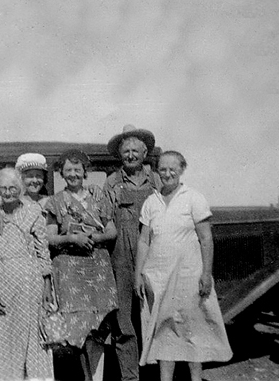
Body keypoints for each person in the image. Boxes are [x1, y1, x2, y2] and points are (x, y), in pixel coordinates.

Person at [135, 151, 232, 381]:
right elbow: (143, 240)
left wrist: (206, 273)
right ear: (157, 171)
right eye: (163, 169)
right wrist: (138, 275)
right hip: (158, 278)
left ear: (181, 170)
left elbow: (206, 239)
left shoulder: (193, 198)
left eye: (172, 169)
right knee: (163, 331)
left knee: (192, 328)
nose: (167, 173)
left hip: (189, 275)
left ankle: (195, 379)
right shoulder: (151, 201)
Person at [0, 168, 55, 381]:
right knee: (3, 342)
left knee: (32, 341)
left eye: (12, 188)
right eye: (3, 188)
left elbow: (43, 251)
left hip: (30, 288)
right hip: (1, 289)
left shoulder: (33, 214)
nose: (8, 193)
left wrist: (47, 285)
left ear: (20, 189)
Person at [44, 150, 118, 381]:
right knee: (77, 330)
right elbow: (50, 237)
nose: (73, 174)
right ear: (61, 173)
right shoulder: (55, 201)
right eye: (68, 170)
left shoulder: (98, 198)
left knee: (98, 330)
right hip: (70, 273)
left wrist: (92, 238)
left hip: (97, 271)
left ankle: (96, 378)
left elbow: (112, 231)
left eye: (77, 169)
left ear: (85, 172)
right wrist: (72, 239)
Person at [103, 124, 161, 381]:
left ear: (145, 152)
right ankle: (130, 376)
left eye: (135, 150)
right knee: (124, 319)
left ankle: (160, 372)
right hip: (122, 256)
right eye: (125, 150)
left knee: (156, 311)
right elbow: (104, 219)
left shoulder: (157, 180)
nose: (130, 155)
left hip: (154, 252)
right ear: (119, 155)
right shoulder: (111, 182)